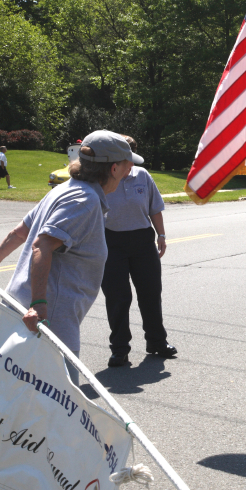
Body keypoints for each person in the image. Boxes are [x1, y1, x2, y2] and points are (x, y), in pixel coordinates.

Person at [0, 130, 141, 385]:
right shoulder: (84, 201)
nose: (130, 169)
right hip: (48, 324)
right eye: (126, 163)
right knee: (62, 411)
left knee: (16, 402)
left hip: (21, 313)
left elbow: (18, 233)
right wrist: (38, 303)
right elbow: (41, 243)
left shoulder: (66, 189)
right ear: (113, 169)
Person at [101, 135, 176, 368]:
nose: (131, 164)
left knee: (151, 293)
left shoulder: (142, 176)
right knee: (118, 297)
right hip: (111, 242)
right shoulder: (103, 178)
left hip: (143, 241)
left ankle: (156, 342)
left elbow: (155, 208)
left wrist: (161, 235)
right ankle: (120, 350)